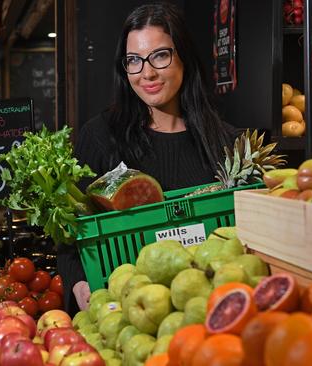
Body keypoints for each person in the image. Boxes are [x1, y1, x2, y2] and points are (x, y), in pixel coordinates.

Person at [57, 2, 237, 314]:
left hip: (210, 308)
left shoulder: (225, 141)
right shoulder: (100, 137)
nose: (147, 73)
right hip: (127, 313)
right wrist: (78, 282)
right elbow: (69, 235)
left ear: (184, 57)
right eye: (134, 61)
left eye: (160, 55)